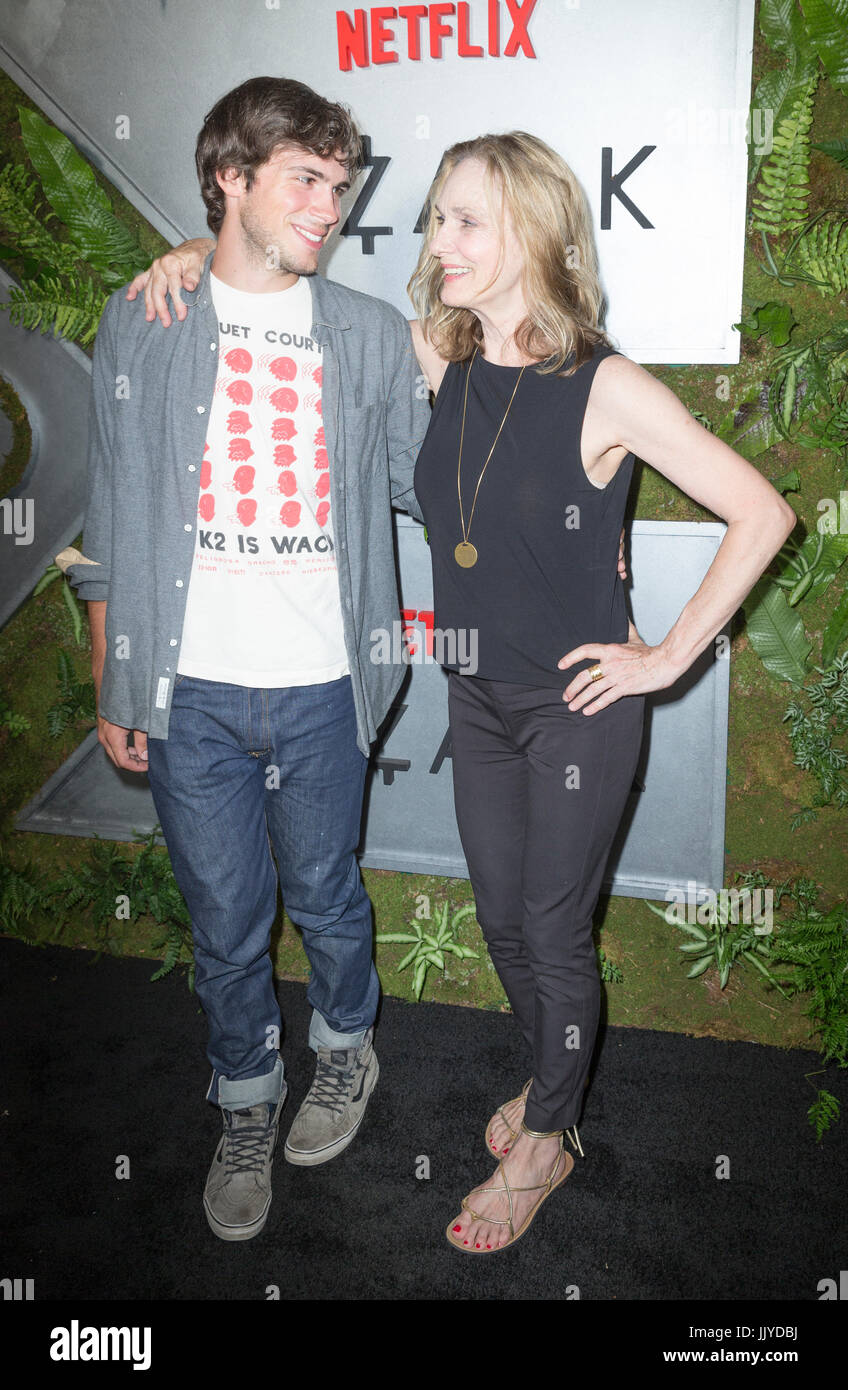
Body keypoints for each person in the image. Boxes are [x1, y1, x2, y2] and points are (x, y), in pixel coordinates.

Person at [131, 129, 795, 1257]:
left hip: (578, 705)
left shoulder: (606, 384)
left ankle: (546, 1135)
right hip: (478, 700)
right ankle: (554, 1086)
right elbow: (287, 295)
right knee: (503, 918)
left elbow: (762, 511)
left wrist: (667, 655)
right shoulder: (435, 358)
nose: (437, 240)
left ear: (532, 230)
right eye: (435, 217)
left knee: (549, 925)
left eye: (465, 220)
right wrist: (196, 252)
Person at [65, 75, 430, 1242]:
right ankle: (242, 1100)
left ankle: (342, 1051)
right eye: (306, 180)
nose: (331, 205)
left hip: (324, 683)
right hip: (190, 688)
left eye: (340, 182)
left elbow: (430, 491)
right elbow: (112, 496)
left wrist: (456, 368)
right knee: (224, 921)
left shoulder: (367, 335)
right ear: (231, 178)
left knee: (326, 900)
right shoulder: (147, 316)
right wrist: (111, 661)